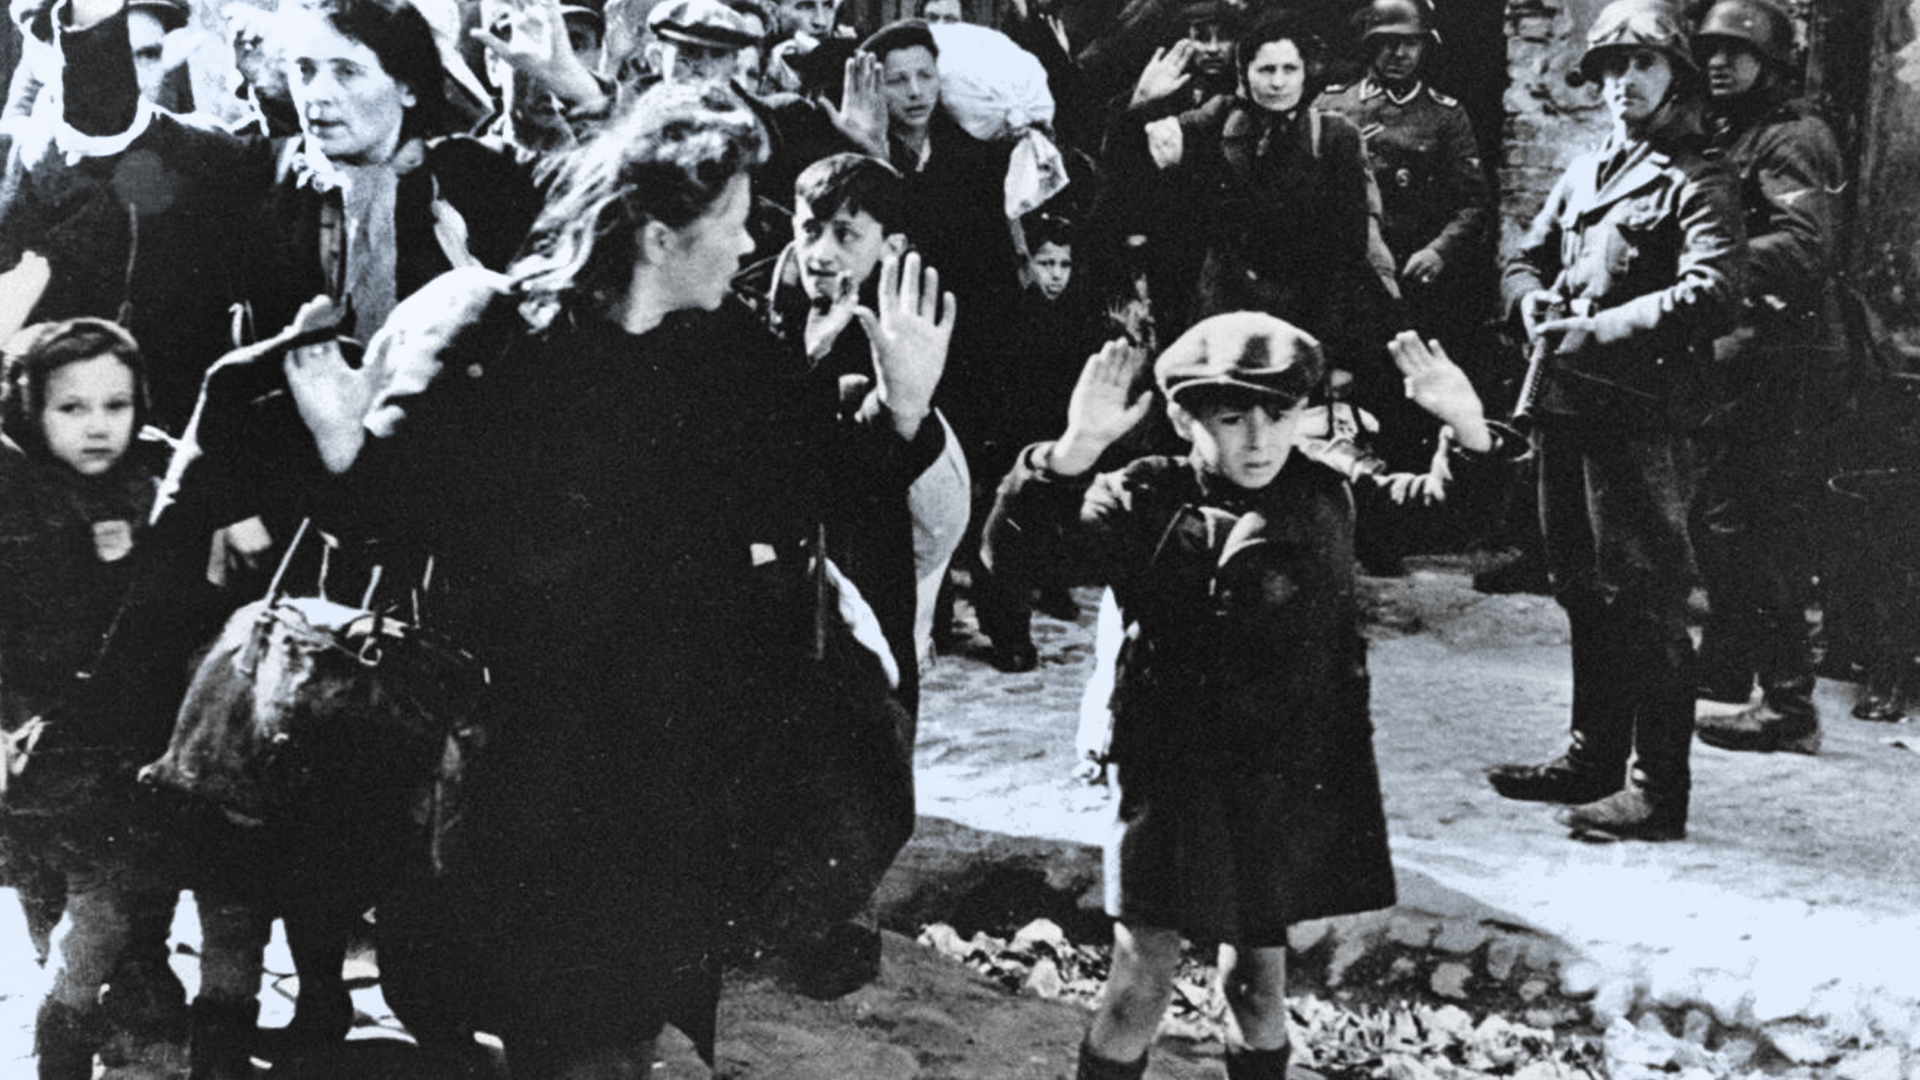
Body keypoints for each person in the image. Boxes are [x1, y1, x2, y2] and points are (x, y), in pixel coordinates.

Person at [278, 83, 950, 1078]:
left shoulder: (724, 349)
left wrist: (901, 410)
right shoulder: (504, 339)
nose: (745, 241)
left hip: (669, 765)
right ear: (658, 233)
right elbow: (393, 519)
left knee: (618, 1024)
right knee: (546, 1021)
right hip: (524, 762)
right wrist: (343, 448)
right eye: (730, 218)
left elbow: (804, 489)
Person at [983, 312, 1497, 1080]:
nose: (1259, 439)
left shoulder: (1332, 489)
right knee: (1138, 980)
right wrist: (1071, 453)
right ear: (1185, 415)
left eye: (1280, 414)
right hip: (1170, 774)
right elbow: (1014, 556)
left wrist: (1466, 429)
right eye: (1231, 417)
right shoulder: (1143, 495)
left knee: (1257, 984)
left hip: (1279, 777)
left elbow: (1450, 511)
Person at [1488, 0, 1745, 842]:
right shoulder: (1588, 168)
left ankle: (1654, 789)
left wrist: (1603, 326)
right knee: (1578, 586)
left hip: (1642, 417)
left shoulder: (1697, 178)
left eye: (1641, 66)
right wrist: (1530, 305)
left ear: (1674, 75)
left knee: (1648, 599)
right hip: (1565, 405)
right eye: (1609, 69)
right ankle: (1590, 756)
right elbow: (1524, 253)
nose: (1622, 84)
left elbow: (1715, 291)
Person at [0, 318, 185, 1080]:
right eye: (70, 408)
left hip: (139, 731)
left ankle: (113, 1021)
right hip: (39, 734)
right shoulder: (14, 490)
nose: (98, 425)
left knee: (133, 904)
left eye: (116, 404)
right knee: (68, 902)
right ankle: (72, 1023)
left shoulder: (157, 474)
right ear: (30, 408)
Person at [737, 151, 970, 691]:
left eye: (846, 235)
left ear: (891, 246)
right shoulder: (750, 305)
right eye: (811, 229)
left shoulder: (911, 315)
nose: (820, 253)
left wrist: (897, 407)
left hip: (878, 541)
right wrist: (807, 360)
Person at [1686, 0, 1847, 754]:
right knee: (1719, 513)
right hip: (1744, 354)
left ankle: (1788, 706)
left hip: (1788, 359)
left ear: (1772, 62)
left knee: (1758, 527)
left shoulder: (1793, 137)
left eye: (1737, 52)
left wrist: (1713, 264)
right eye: (1711, 50)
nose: (1719, 63)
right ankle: (1724, 668)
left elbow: (1806, 243)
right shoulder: (1731, 130)